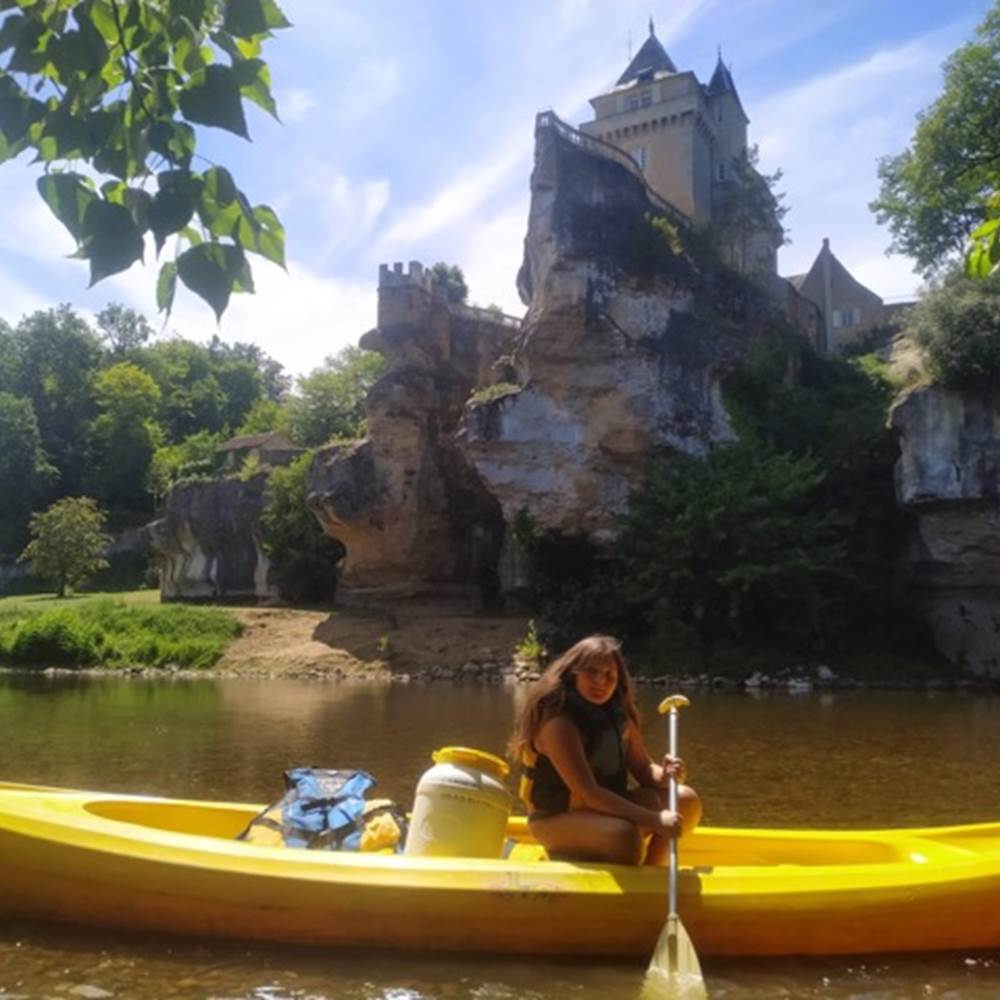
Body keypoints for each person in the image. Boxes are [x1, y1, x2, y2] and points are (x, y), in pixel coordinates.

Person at [509, 634, 702, 865]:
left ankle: (652, 874)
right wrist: (654, 819)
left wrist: (666, 774)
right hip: (557, 818)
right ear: (573, 673)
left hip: (606, 808)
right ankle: (567, 853)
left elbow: (643, 769)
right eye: (591, 672)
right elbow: (588, 792)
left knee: (686, 800)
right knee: (625, 837)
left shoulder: (618, 714)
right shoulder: (558, 723)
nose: (601, 681)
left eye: (609, 675)